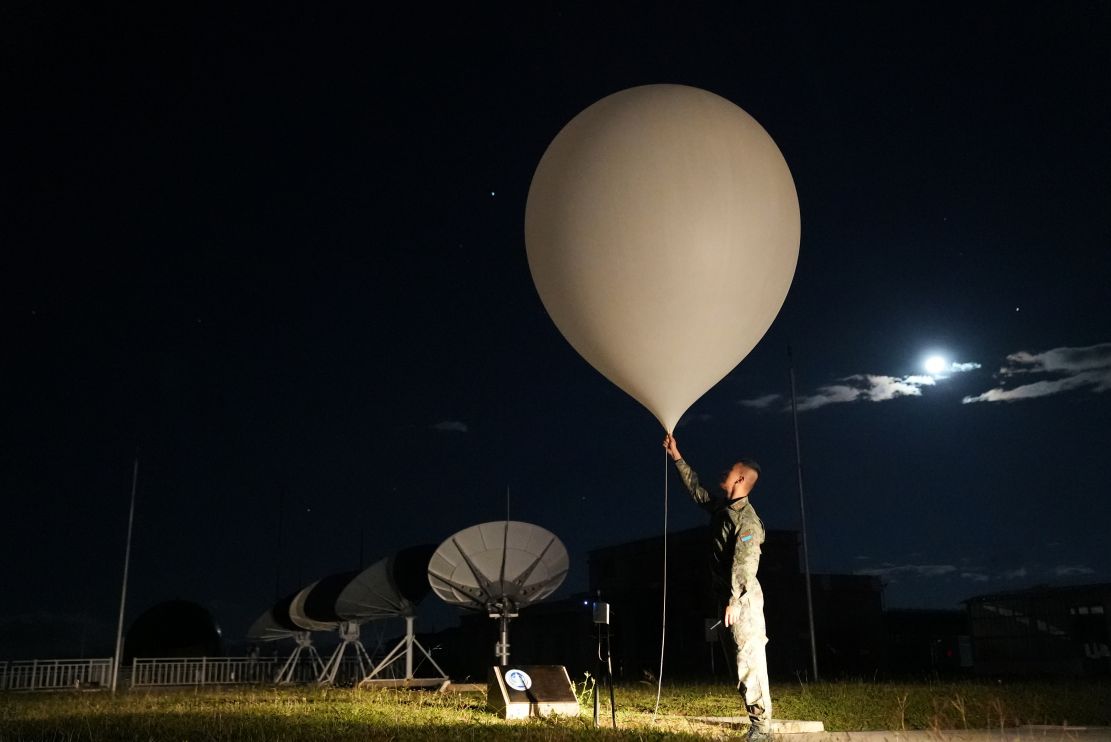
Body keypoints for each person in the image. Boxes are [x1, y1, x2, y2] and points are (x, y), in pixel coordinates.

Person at [664, 433, 772, 741]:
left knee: (749, 661)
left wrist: (734, 601)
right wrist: (677, 456)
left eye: (728, 470)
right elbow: (698, 492)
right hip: (728, 598)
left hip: (743, 600)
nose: (723, 473)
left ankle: (762, 730)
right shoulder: (724, 510)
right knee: (737, 664)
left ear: (739, 478)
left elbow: (745, 564)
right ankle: (757, 723)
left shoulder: (747, 520)